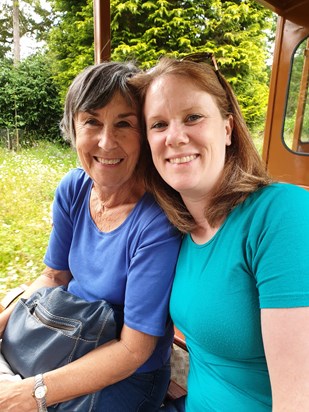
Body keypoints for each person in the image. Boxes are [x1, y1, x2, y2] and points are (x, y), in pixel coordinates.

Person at [0, 61, 181, 411]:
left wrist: (33, 393)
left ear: (144, 134)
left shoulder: (157, 221)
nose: (106, 141)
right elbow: (55, 276)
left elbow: (135, 349)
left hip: (126, 372)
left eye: (124, 123)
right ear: (73, 128)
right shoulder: (74, 188)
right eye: (92, 121)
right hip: (62, 336)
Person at [131, 55, 309, 411]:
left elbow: (295, 402)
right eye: (159, 124)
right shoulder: (175, 227)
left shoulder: (280, 214)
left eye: (193, 117)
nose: (175, 137)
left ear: (227, 129)